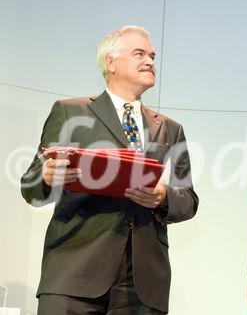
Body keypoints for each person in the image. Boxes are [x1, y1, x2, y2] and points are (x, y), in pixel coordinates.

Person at [21, 25, 199, 314]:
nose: (150, 61)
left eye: (152, 55)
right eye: (139, 53)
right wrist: (46, 177)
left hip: (142, 285)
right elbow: (30, 188)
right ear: (111, 63)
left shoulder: (170, 128)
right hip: (74, 274)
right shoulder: (71, 112)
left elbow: (189, 199)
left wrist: (164, 196)